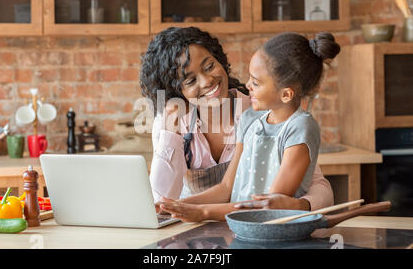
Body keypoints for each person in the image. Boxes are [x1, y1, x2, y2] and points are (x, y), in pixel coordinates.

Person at [139, 27, 334, 214]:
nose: (207, 81)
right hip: (191, 224)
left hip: (243, 222)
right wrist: (170, 132)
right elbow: (159, 201)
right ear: (176, 91)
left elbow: (318, 186)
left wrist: (300, 205)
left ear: (219, 60)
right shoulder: (171, 122)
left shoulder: (259, 112)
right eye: (190, 81)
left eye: (209, 66)